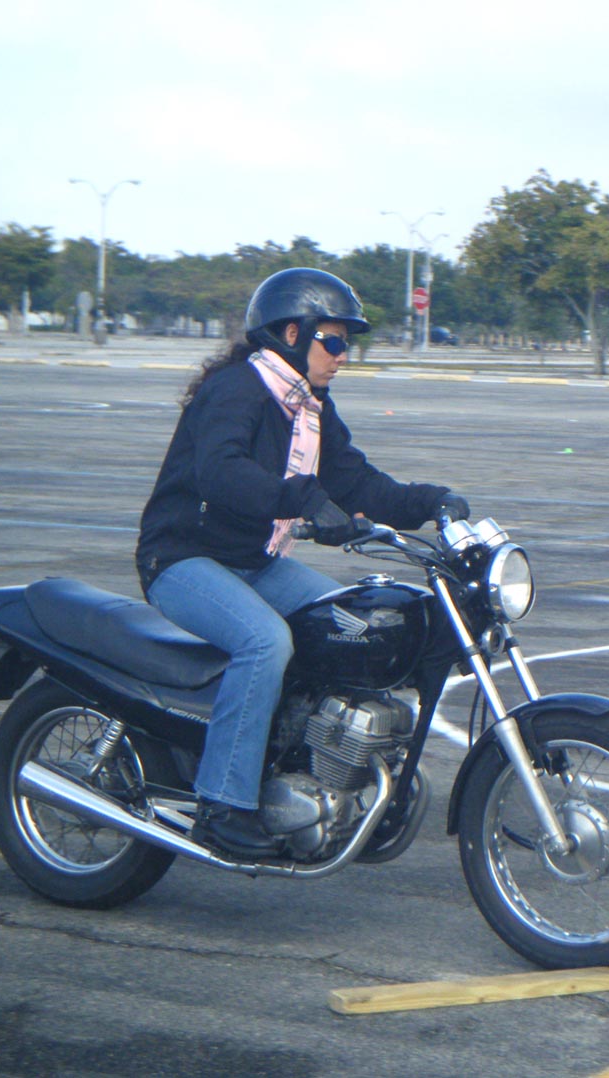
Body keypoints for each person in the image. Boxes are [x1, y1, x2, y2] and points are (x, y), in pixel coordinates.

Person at [136, 267, 468, 858]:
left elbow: (356, 481)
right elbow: (221, 472)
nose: (343, 356)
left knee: (351, 623)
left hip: (255, 560)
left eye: (348, 344)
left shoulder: (309, 408)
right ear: (292, 334)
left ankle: (308, 769)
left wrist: (432, 502)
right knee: (265, 642)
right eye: (334, 341)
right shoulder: (238, 388)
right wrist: (303, 499)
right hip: (184, 557)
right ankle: (222, 805)